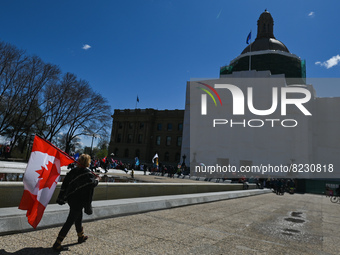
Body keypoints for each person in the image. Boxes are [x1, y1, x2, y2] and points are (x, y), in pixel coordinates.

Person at [52, 154, 99, 251]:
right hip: (80, 200)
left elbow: (66, 183)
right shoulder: (87, 173)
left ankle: (80, 236)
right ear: (87, 162)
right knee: (70, 221)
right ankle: (57, 243)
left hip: (71, 199)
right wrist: (98, 179)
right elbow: (92, 184)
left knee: (78, 216)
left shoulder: (73, 171)